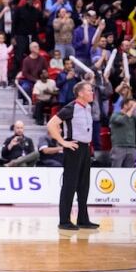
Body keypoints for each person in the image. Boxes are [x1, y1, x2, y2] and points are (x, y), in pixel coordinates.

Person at [46, 81, 99, 230]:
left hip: (85, 149)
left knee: (84, 185)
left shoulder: (88, 107)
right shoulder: (71, 107)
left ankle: (83, 219)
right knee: (69, 185)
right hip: (73, 148)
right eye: (89, 90)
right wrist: (63, 142)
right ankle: (64, 221)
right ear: (80, 93)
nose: (92, 93)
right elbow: (51, 124)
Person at [108, 99, 136, 168]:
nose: (133, 107)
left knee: (129, 173)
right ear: (125, 105)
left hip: (131, 147)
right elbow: (122, 120)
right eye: (131, 105)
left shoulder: (133, 118)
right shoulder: (115, 115)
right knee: (116, 170)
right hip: (119, 147)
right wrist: (132, 109)